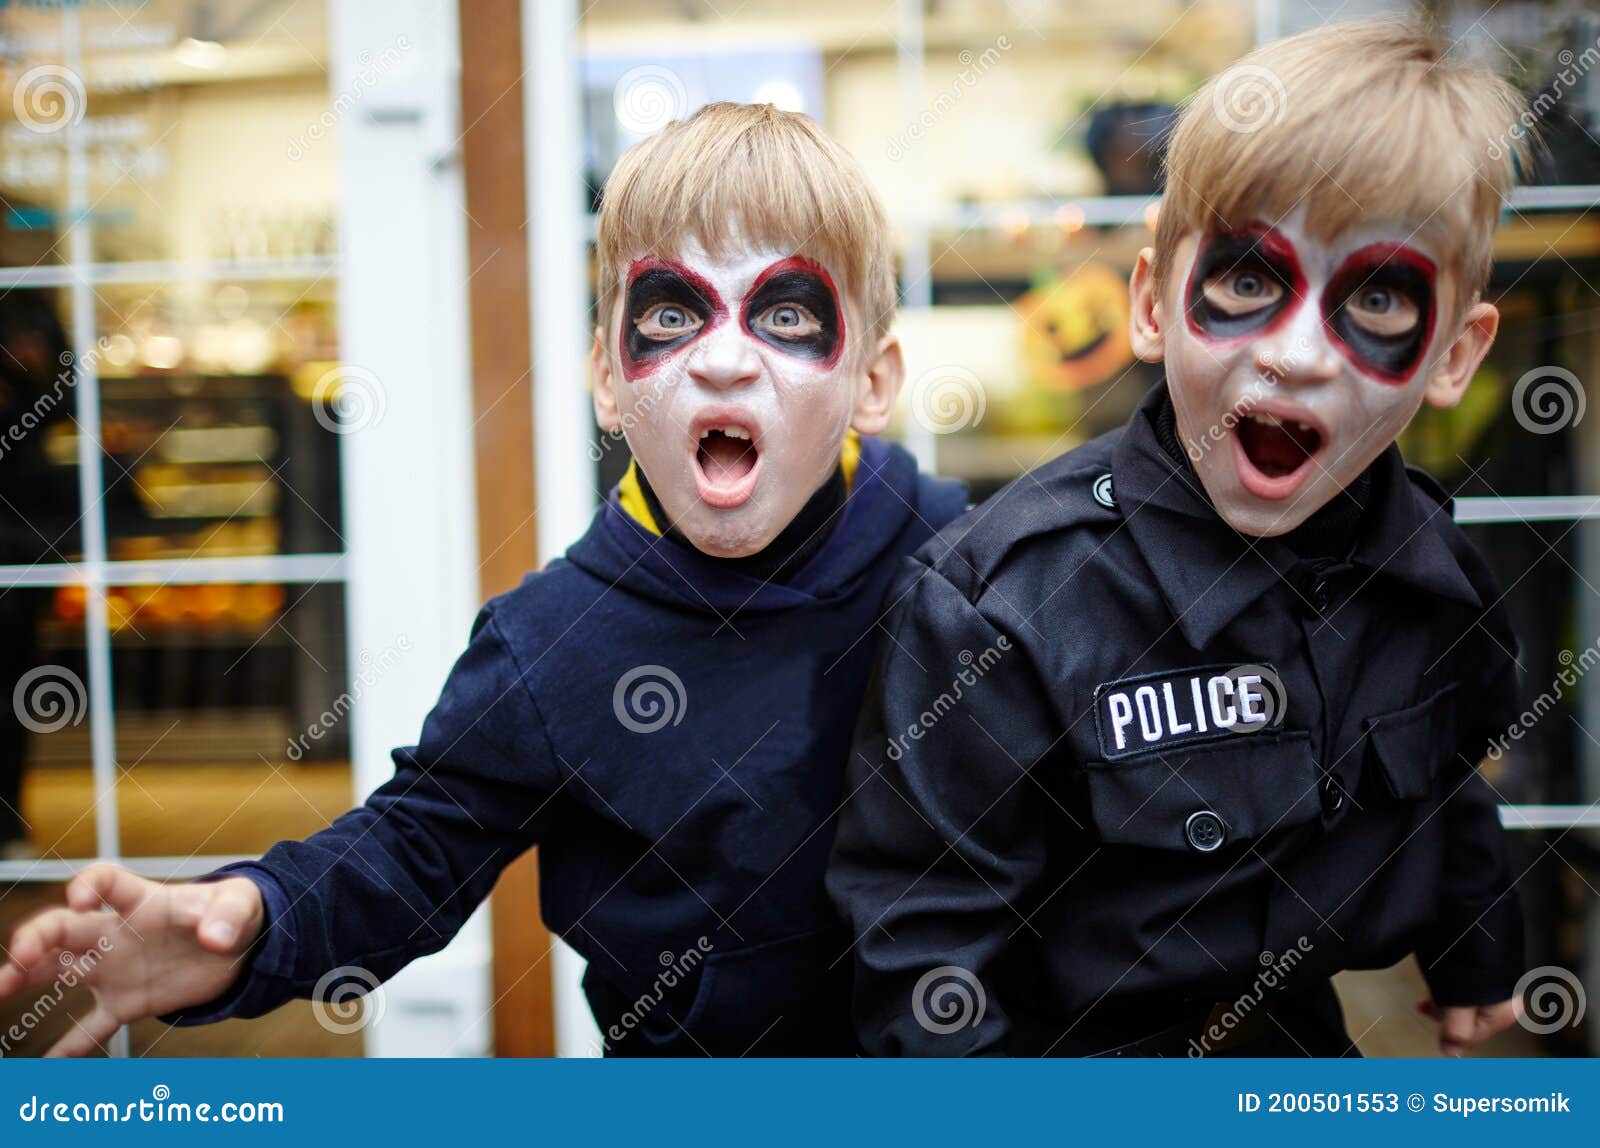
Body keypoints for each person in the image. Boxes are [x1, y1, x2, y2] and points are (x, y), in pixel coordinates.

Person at [0, 102, 967, 1057]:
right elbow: (410, 850)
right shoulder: (552, 645)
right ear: (607, 378)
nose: (721, 359)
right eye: (670, 313)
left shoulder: (957, 555)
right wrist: (255, 919)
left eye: (786, 313)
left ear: (873, 383)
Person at [827, 20, 1530, 1057]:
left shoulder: (1423, 576)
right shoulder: (1001, 602)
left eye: (1376, 296)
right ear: (1153, 298)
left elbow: (1441, 784)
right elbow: (919, 943)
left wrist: (1478, 953)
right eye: (1248, 280)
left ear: (1453, 353)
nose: (1294, 353)